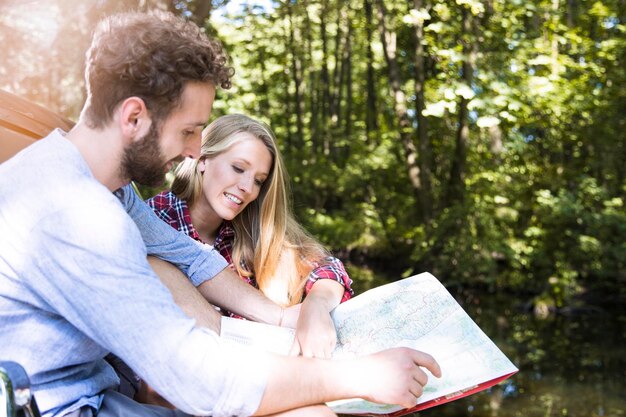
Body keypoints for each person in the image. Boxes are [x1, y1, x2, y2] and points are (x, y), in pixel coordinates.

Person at [0, 10, 441, 417]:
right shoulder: (78, 217)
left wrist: (287, 317)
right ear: (134, 116)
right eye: (189, 130)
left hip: (101, 391)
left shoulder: (107, 187)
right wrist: (363, 376)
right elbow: (200, 382)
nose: (195, 150)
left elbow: (189, 255)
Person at [148, 114, 352, 358]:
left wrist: (316, 305)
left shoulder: (247, 229)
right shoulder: (154, 221)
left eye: (258, 181)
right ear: (203, 160)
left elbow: (329, 267)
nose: (247, 188)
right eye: (238, 168)